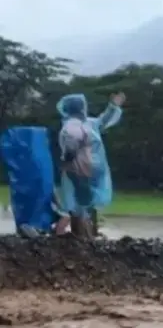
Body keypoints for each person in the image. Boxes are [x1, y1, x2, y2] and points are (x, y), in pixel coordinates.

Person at [57, 92, 124, 238]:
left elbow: (71, 147)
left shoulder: (71, 125)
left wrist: (65, 163)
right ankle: (89, 233)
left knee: (79, 202)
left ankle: (83, 235)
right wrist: (113, 107)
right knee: (88, 202)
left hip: (79, 167)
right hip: (94, 168)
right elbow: (104, 120)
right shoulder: (89, 123)